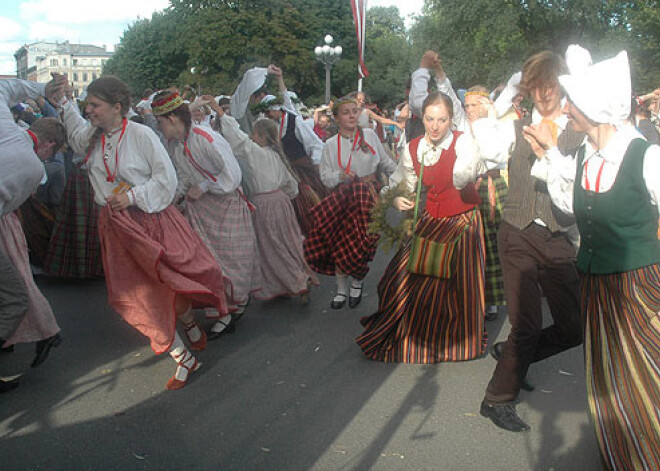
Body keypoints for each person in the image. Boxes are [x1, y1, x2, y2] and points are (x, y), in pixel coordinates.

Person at [524, 50, 660, 470]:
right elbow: (570, 205)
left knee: (649, 375)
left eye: (572, 102)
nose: (565, 108)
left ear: (597, 109)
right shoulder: (585, 154)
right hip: (599, 287)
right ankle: (625, 453)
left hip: (640, 288)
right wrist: (549, 154)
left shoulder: (646, 156)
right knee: (610, 376)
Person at [58, 75, 229, 390]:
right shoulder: (92, 136)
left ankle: (189, 323)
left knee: (171, 284)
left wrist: (132, 197)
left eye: (95, 105)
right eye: (88, 106)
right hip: (115, 225)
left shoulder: (142, 135)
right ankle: (182, 356)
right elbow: (74, 132)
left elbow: (166, 178)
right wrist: (64, 100)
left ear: (117, 107)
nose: (90, 111)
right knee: (139, 297)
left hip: (149, 219)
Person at [472, 51, 584, 432]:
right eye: (537, 85)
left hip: (557, 237)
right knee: (526, 324)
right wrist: (501, 102)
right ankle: (496, 399)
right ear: (529, 87)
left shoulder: (578, 129)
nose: (545, 93)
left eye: (551, 84)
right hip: (517, 230)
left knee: (574, 327)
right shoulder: (514, 126)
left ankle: (512, 356)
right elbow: (485, 147)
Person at [357, 91, 486, 362]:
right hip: (430, 218)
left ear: (452, 119)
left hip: (462, 220)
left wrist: (464, 161)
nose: (435, 126)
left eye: (442, 120)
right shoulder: (414, 147)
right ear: (422, 117)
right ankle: (415, 334)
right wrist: (396, 198)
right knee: (397, 279)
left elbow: (464, 174)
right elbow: (401, 181)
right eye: (430, 119)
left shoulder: (465, 144)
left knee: (451, 287)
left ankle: (455, 341)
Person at [152, 91, 261, 337]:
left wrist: (203, 187)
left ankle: (237, 304)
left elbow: (232, 175)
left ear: (171, 119)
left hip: (225, 207)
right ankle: (222, 311)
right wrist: (170, 200)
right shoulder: (178, 146)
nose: (159, 128)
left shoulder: (204, 137)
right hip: (201, 213)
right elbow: (183, 179)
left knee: (233, 260)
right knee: (208, 263)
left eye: (159, 122)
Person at [210, 99, 318, 301]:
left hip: (265, 205)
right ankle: (292, 279)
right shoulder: (277, 156)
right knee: (288, 241)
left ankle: (296, 281)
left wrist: (221, 114)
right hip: (282, 202)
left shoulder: (256, 153)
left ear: (261, 137)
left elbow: (239, 139)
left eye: (255, 134)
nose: (251, 137)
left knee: (271, 246)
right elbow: (291, 188)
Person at [0, 79, 67, 385]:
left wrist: (41, 89)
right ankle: (42, 334)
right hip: (6, 223)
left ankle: (40, 334)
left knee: (22, 282)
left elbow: (3, 89)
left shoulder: (5, 125)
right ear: (50, 145)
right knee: (16, 294)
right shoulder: (33, 168)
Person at [305, 97, 397, 309]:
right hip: (343, 197)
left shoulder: (370, 136)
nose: (352, 116)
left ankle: (357, 283)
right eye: (346, 112)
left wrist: (399, 183)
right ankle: (340, 289)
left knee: (363, 241)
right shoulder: (330, 144)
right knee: (339, 242)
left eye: (354, 111)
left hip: (367, 196)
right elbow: (326, 177)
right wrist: (340, 176)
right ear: (336, 118)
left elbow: (386, 163)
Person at [463, 86, 508, 320]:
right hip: (469, 187)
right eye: (467, 105)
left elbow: (496, 156)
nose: (470, 109)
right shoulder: (463, 127)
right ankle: (474, 294)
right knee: (471, 242)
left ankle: (492, 298)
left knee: (492, 243)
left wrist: (489, 121)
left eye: (474, 105)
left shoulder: (496, 126)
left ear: (486, 105)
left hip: (492, 186)